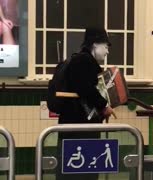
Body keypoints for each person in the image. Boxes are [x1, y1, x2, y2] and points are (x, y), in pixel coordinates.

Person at [56, 27, 114, 180]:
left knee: (75, 169)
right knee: (81, 172)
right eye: (106, 46)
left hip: (75, 125)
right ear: (95, 44)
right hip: (79, 127)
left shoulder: (81, 60)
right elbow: (85, 88)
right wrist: (104, 106)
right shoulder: (84, 61)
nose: (107, 51)